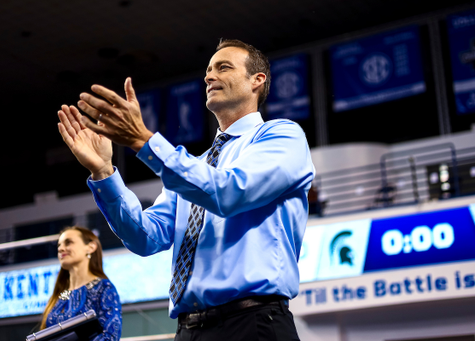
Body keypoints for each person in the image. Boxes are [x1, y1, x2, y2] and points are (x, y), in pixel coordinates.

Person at [57, 39, 315, 341]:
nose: (208, 76)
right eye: (207, 70)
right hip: (188, 330)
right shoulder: (193, 167)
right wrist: (104, 172)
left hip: (253, 323)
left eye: (223, 67)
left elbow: (229, 193)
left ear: (257, 81)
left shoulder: (283, 136)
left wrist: (143, 140)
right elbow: (144, 237)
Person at [40, 226, 122, 340]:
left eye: (68, 242)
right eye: (59, 245)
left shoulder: (104, 288)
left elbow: (110, 337)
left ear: (91, 247)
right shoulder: (60, 295)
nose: (61, 248)